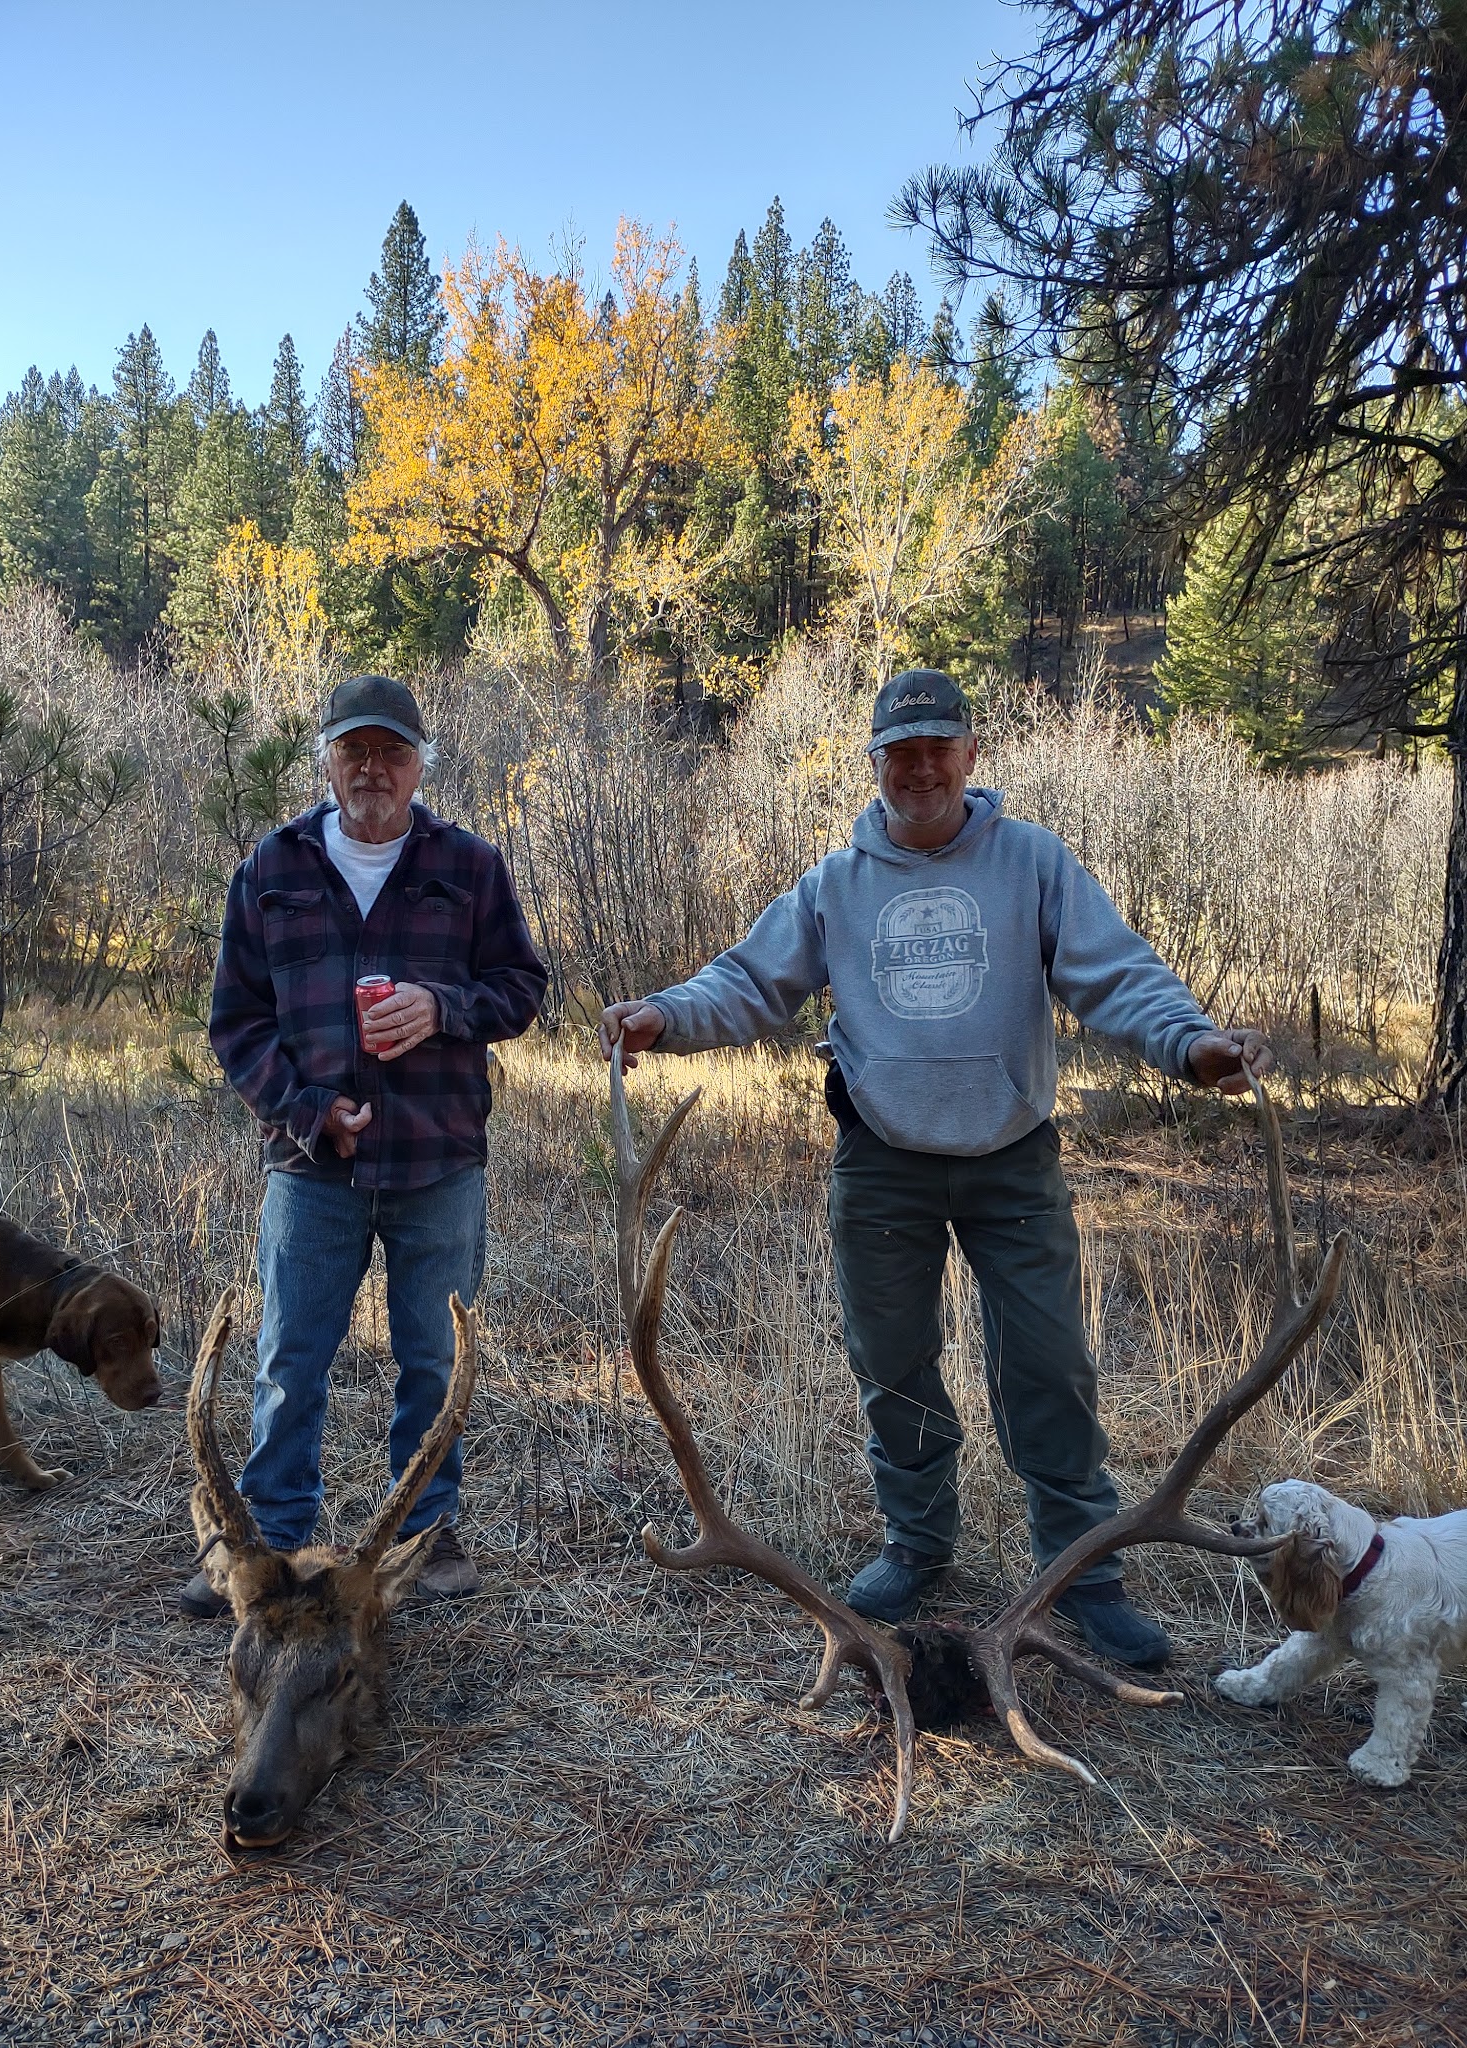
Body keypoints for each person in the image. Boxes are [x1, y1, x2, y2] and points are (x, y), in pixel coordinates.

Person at [599, 668, 1272, 1667]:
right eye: (898, 751)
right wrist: (664, 1015)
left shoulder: (1033, 862)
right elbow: (750, 979)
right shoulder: (836, 883)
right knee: (894, 1364)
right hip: (883, 1164)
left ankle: (1083, 1573)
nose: (919, 767)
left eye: (936, 747)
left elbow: (1116, 971)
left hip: (1014, 1160)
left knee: (1049, 1366)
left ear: (970, 754)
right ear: (874, 764)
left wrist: (1190, 1044)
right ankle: (917, 1541)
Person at [181, 674, 547, 1617]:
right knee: (290, 1355)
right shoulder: (274, 868)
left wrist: (445, 1006)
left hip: (439, 1160)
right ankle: (265, 1548)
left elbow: (522, 987)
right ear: (328, 760)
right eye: (355, 750)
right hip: (312, 1167)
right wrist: (306, 1109)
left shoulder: (470, 866)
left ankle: (426, 1539)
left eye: (391, 751)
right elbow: (236, 1023)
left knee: (431, 1357)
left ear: (422, 763)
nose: (372, 769)